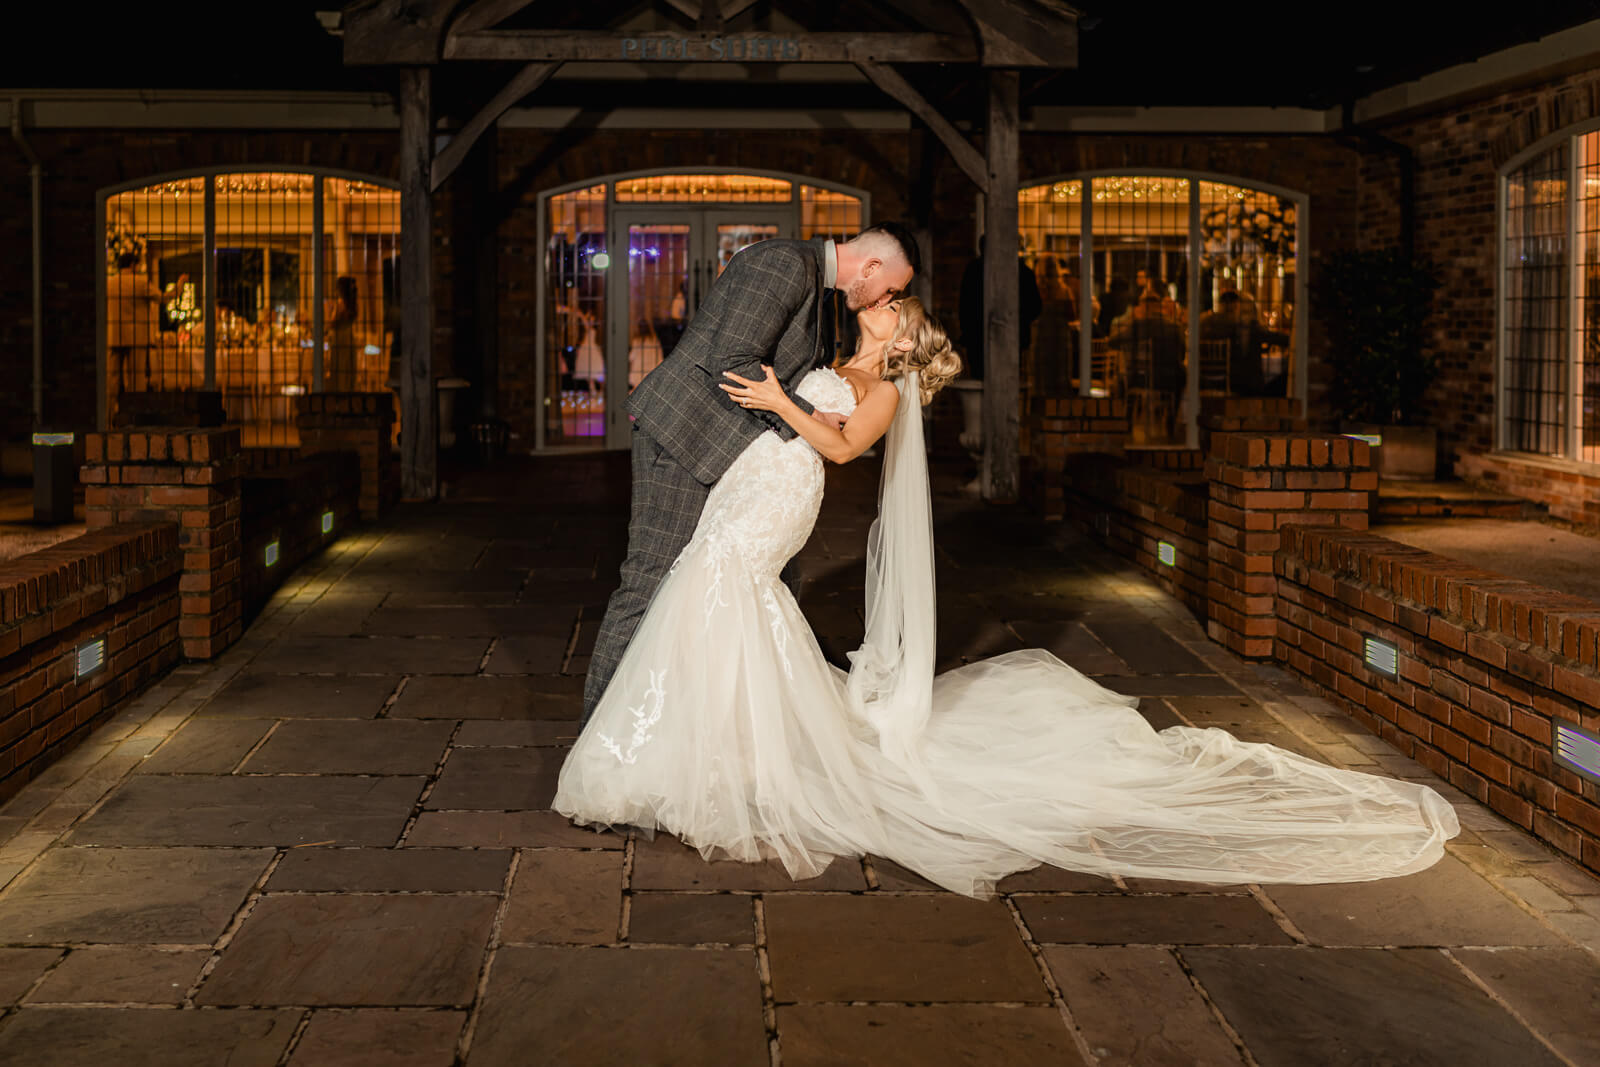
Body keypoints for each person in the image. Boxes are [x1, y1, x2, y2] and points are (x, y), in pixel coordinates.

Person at [554, 296, 1458, 898]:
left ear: (904, 343)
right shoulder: (836, 357)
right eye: (885, 299)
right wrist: (775, 398)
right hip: (756, 485)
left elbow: (837, 450)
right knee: (715, 598)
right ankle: (704, 748)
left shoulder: (892, 390)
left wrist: (777, 402)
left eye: (896, 308)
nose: (881, 305)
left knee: (723, 592)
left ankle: (694, 762)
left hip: (785, 492)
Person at [582, 222, 921, 723]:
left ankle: (734, 726)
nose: (885, 299)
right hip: (684, 435)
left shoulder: (818, 290)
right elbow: (732, 360)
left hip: (738, 458)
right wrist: (810, 415)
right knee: (649, 580)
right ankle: (602, 735)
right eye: (891, 288)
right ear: (871, 267)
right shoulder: (784, 263)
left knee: (767, 582)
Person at [957, 236, 1041, 383]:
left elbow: (964, 307)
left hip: (978, 337)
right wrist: (1019, 322)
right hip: (1012, 338)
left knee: (981, 380)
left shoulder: (974, 269)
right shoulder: (1023, 272)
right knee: (1008, 380)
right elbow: (1035, 307)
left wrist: (968, 330)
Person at [106, 252, 163, 393]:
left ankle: (110, 411)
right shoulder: (140, 282)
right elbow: (161, 297)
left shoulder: (109, 283)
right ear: (133, 265)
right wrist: (178, 289)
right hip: (137, 337)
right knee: (136, 379)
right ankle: (133, 410)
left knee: (113, 378)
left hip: (114, 335)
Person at [326, 275, 360, 391]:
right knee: (347, 370)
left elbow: (332, 324)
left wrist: (329, 311)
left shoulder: (341, 304)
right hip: (348, 338)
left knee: (340, 369)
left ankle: (340, 394)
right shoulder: (352, 304)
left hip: (340, 341)